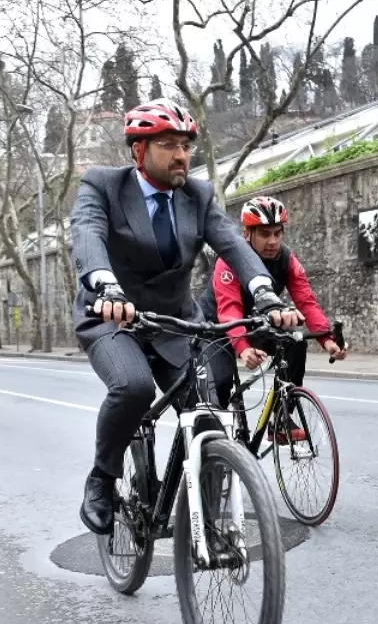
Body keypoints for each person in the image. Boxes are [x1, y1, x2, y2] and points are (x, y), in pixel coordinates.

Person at [69, 98, 302, 536]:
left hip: (174, 321)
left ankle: (210, 525)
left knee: (209, 416)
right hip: (112, 316)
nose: (181, 155)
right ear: (139, 151)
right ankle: (102, 479)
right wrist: (104, 284)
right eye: (167, 145)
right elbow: (87, 233)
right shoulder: (103, 185)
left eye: (185, 145)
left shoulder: (198, 194)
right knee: (134, 388)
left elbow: (232, 245)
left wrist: (267, 295)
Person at [196, 196, 346, 439]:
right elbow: (229, 310)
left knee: (294, 340)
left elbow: (306, 302)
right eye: (265, 234)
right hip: (216, 327)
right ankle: (214, 446)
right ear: (247, 233)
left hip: (254, 322)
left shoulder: (287, 260)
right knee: (221, 385)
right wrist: (243, 349)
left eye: (277, 233)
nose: (273, 241)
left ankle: (282, 417)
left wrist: (328, 340)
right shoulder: (229, 259)